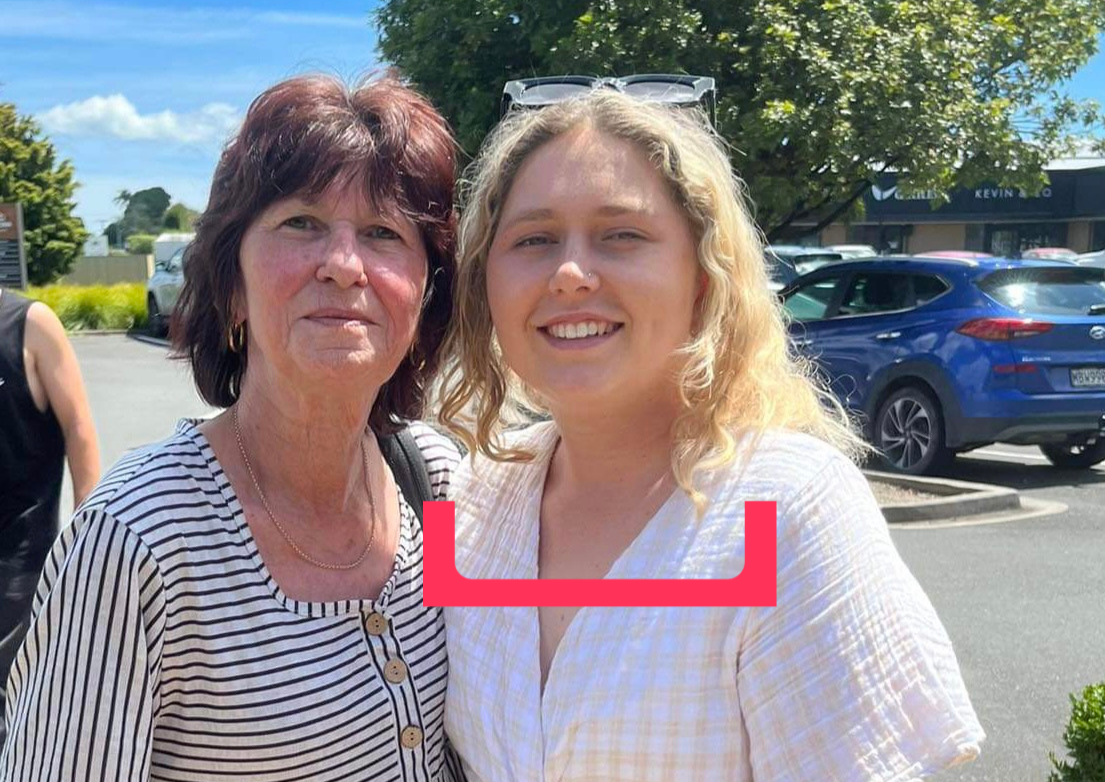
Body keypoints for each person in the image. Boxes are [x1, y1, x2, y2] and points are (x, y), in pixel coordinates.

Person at [438, 91, 984, 780]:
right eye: (533, 239)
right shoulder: (471, 498)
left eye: (621, 235)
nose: (569, 273)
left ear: (702, 276)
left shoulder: (783, 509)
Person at [1, 73, 463, 781]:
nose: (343, 265)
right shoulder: (139, 538)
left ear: (424, 295)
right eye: (300, 222)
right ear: (230, 287)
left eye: (382, 233)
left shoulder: (435, 481)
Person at [0, 289, 99, 750]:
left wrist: (92, 548)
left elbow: (79, 432)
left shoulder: (29, 324)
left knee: (16, 718)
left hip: (20, 568)